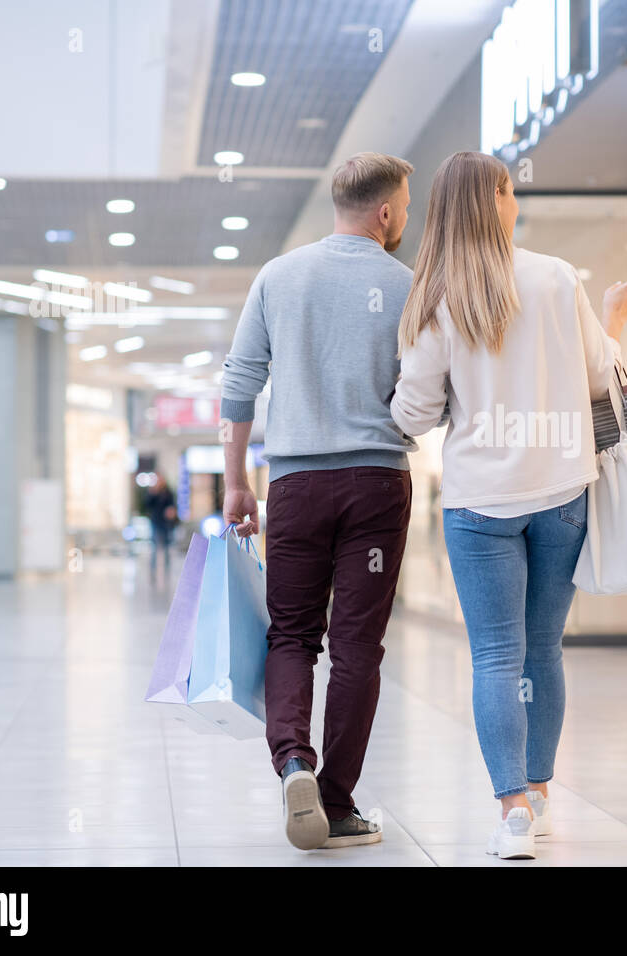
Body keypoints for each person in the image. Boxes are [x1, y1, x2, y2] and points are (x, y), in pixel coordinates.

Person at [391, 151, 627, 860]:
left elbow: (413, 415)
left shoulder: (436, 296)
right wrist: (612, 320)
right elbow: (603, 378)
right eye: (510, 191)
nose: (515, 202)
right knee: (544, 651)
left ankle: (510, 814)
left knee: (496, 657)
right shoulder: (557, 277)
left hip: (479, 502)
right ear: (495, 202)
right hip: (562, 493)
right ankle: (537, 794)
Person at [220, 152, 416, 851]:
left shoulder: (279, 276)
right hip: (375, 482)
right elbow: (425, 393)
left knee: (292, 634)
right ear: (387, 212)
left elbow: (239, 383)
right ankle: (335, 803)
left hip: (295, 483)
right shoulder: (407, 285)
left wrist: (236, 479)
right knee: (359, 645)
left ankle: (294, 763)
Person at [143, 475, 178, 584]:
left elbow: (172, 505)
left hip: (166, 523)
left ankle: (167, 570)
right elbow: (147, 505)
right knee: (155, 547)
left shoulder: (168, 492)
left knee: (167, 548)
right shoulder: (153, 492)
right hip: (155, 522)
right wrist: (153, 492)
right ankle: (153, 571)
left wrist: (172, 511)